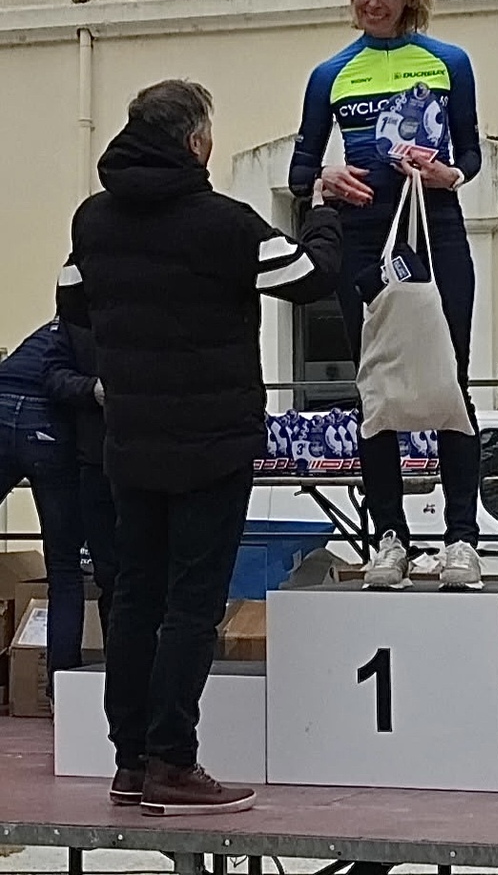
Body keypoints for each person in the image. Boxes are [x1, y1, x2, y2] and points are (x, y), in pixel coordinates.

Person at [58, 79, 342, 816]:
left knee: (133, 598)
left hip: (129, 440)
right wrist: (323, 212)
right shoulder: (223, 223)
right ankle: (174, 764)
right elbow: (311, 279)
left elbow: (73, 305)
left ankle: (130, 762)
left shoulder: (93, 219)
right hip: (212, 444)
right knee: (191, 604)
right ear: (195, 142)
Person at [289, 0, 482, 590]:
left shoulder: (448, 62)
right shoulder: (330, 74)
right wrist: (326, 180)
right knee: (375, 387)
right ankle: (389, 539)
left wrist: (449, 175)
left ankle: (461, 539)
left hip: (436, 231)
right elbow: (300, 171)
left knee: (449, 380)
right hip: (363, 239)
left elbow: (469, 153)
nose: (372, 3)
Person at [0, 321, 85, 690]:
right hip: (48, 421)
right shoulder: (108, 332)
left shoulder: (50, 329)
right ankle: (61, 689)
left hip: (2, 399)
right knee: (64, 569)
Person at [42, 318, 116, 643]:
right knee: (109, 573)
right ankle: (121, 662)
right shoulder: (75, 319)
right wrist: (90, 389)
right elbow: (52, 375)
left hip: (148, 457)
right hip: (99, 458)